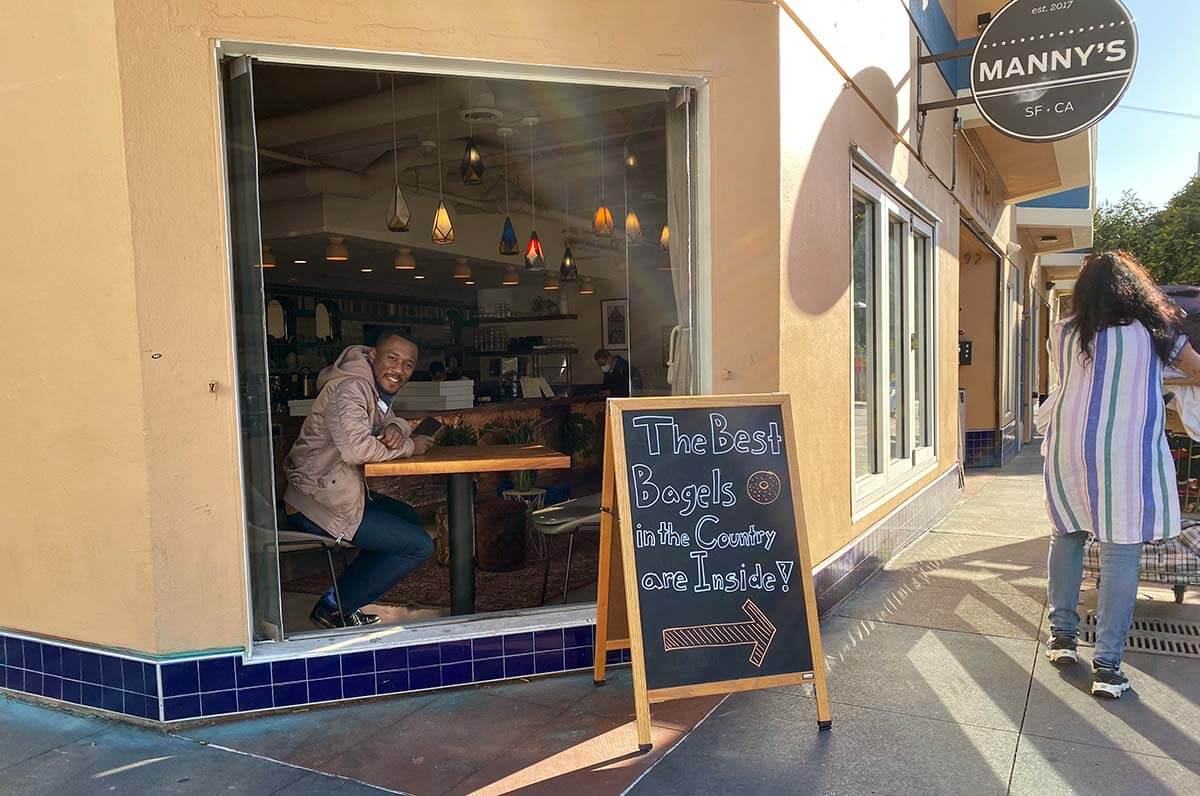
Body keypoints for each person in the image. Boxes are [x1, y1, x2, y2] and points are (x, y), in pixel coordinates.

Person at [1039, 251, 1200, 697]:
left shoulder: (1065, 331)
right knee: (1120, 551)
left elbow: (1073, 379)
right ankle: (1108, 668)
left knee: (1067, 534)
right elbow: (1196, 371)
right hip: (1125, 453)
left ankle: (1063, 639)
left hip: (1069, 447)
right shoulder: (1154, 333)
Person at [283, 331, 436, 629]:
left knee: (407, 517)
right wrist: (410, 446)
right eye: (392, 358)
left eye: (407, 364)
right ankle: (333, 606)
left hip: (333, 494)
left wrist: (394, 426)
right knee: (418, 545)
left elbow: (385, 423)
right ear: (372, 356)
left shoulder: (370, 388)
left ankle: (343, 602)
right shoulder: (351, 388)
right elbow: (357, 450)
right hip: (314, 504)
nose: (399, 369)